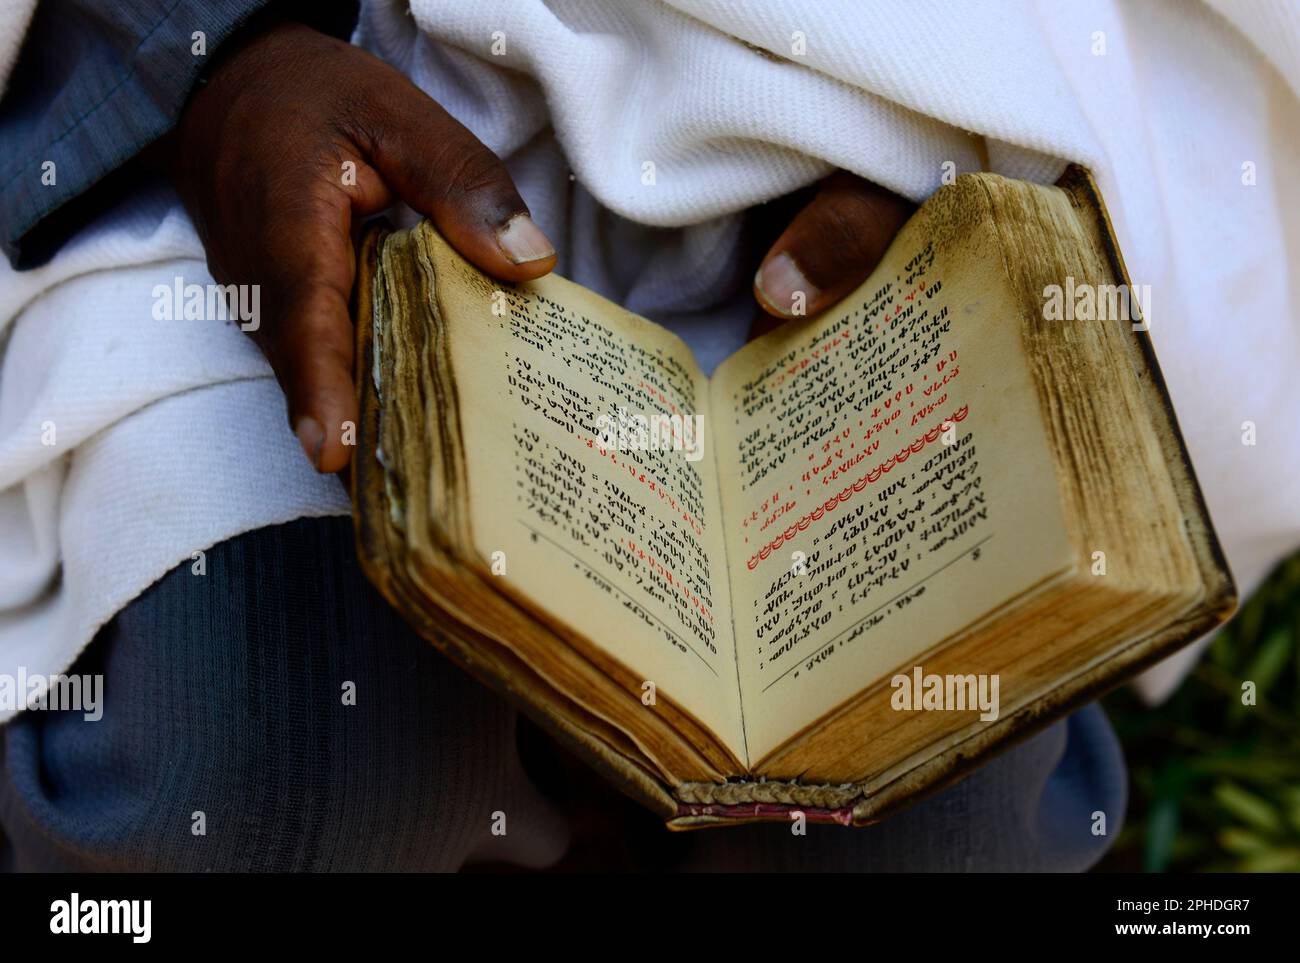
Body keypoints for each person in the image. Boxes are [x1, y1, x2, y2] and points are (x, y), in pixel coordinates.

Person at [6, 0, 1293, 871]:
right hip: (348, 129)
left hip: (884, 175)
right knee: (269, 784)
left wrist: (972, 145)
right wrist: (228, 70)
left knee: (924, 831)